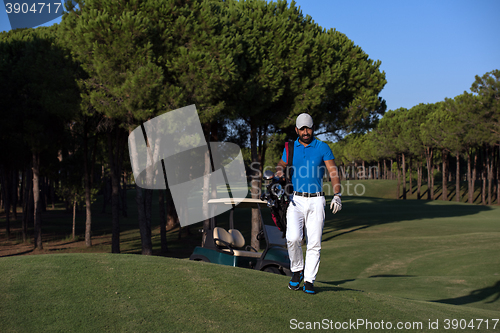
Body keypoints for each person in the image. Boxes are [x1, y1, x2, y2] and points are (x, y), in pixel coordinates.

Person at [275, 113, 342, 294]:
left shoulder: (322, 147)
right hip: (295, 200)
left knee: (314, 243)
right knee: (293, 238)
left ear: (313, 128)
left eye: (309, 128)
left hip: (317, 200)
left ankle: (309, 281)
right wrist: (279, 172)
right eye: (302, 128)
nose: (306, 132)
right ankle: (297, 271)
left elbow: (333, 172)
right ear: (296, 129)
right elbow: (280, 165)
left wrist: (337, 194)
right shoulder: (290, 148)